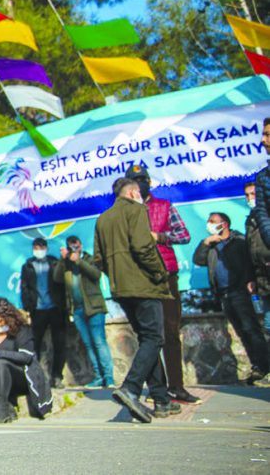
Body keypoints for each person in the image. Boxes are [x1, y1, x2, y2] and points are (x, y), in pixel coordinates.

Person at [94, 177, 178, 423]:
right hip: (143, 285)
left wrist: (117, 276)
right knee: (154, 338)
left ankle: (161, 399)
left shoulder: (103, 218)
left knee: (146, 340)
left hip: (120, 288)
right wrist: (159, 273)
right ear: (132, 193)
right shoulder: (136, 210)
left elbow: (98, 259)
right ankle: (131, 388)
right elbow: (143, 247)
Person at [125, 163, 196, 404]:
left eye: (142, 179)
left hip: (166, 275)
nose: (139, 184)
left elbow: (184, 235)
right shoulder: (124, 212)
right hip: (140, 277)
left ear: (149, 182)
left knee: (170, 330)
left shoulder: (164, 206)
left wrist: (160, 237)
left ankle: (176, 385)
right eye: (134, 181)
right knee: (148, 334)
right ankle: (158, 389)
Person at [192, 212, 269, 383]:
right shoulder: (211, 245)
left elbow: (249, 262)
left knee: (251, 329)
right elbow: (198, 259)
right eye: (208, 221)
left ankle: (264, 366)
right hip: (224, 294)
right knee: (242, 332)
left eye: (213, 221)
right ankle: (257, 367)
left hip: (240, 292)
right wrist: (206, 242)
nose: (209, 224)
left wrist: (251, 280)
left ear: (224, 224)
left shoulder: (238, 241)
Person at [0, 298, 53, 424]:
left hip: (21, 376)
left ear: (8, 318)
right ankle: (6, 408)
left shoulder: (23, 330)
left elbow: (26, 357)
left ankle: (2, 410)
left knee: (0, 362)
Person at [54, 235, 114, 389]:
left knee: (99, 342)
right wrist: (63, 260)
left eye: (76, 245)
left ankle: (109, 378)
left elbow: (96, 274)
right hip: (78, 310)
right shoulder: (66, 264)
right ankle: (98, 377)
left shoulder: (88, 259)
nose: (74, 248)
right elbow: (57, 278)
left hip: (94, 307)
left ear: (80, 245)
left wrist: (78, 261)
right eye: (71, 246)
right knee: (88, 344)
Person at [19, 237, 67, 389]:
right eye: (36, 247)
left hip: (55, 308)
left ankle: (57, 376)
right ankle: (36, 378)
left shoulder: (53, 262)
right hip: (38, 310)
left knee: (59, 344)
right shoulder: (27, 266)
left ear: (46, 248)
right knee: (35, 345)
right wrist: (28, 307)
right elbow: (25, 287)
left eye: (41, 247)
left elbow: (62, 283)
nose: (38, 249)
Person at [246, 177, 270, 336]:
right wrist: (252, 277)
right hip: (263, 279)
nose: (250, 198)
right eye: (247, 195)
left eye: (253, 194)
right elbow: (251, 252)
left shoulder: (265, 217)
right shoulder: (250, 220)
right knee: (268, 326)